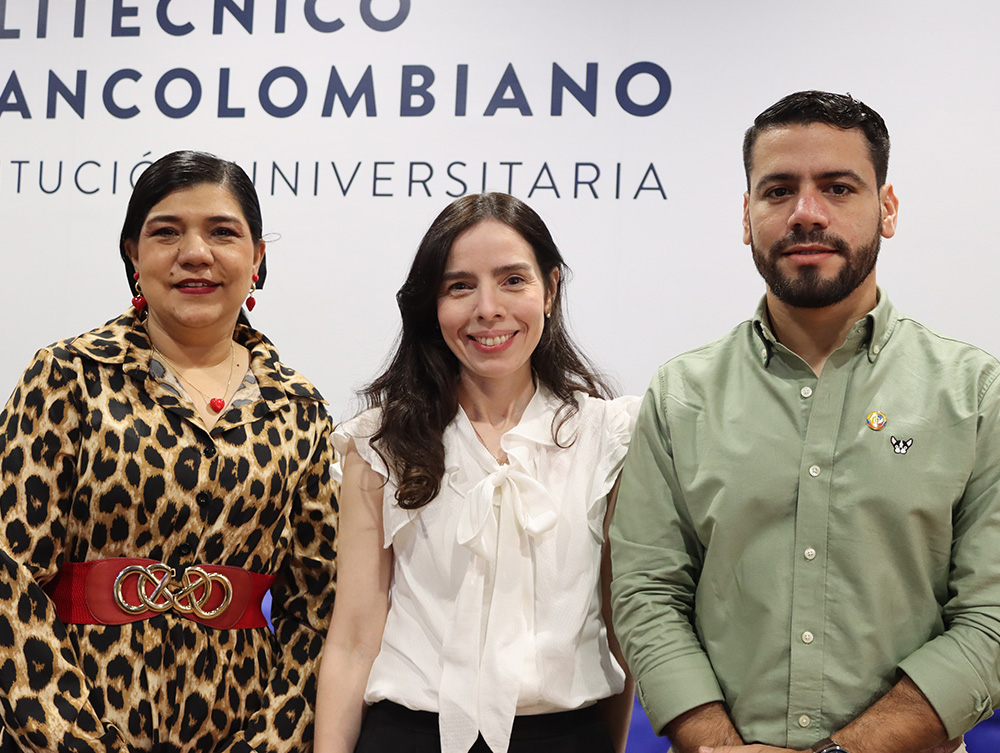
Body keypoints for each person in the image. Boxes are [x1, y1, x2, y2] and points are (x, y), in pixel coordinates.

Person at [609, 91, 1000, 753]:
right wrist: (718, 746)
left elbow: (991, 615)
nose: (806, 213)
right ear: (747, 215)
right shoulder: (681, 396)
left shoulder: (977, 394)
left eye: (839, 188)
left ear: (888, 208)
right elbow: (647, 593)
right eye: (779, 190)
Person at [0, 151, 339, 752]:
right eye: (166, 232)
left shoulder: (299, 408)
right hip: (77, 723)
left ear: (258, 258)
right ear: (133, 254)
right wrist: (69, 740)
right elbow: (10, 574)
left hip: (240, 727)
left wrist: (270, 742)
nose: (195, 253)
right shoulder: (67, 376)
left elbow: (317, 609)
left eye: (222, 232)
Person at [314, 193, 637, 753]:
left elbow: (620, 626)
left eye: (512, 280)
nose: (488, 309)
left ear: (550, 289)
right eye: (460, 286)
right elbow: (354, 638)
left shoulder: (608, 435)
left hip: (567, 736)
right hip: (407, 735)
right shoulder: (379, 441)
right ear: (432, 305)